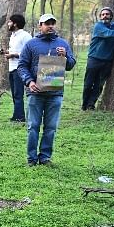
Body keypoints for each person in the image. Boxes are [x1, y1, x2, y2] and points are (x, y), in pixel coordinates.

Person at [17, 14, 77, 166]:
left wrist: (65, 57)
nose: (50, 26)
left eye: (52, 23)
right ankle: (31, 159)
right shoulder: (31, 44)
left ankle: (45, 157)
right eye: (46, 23)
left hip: (55, 93)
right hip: (35, 92)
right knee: (33, 127)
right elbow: (22, 66)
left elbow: (70, 65)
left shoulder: (62, 43)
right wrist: (29, 82)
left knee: (50, 128)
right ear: (40, 26)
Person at [4, 14, 31, 122]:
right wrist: (7, 52)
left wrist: (13, 55)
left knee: (18, 93)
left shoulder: (25, 36)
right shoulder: (13, 36)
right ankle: (17, 115)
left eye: (10, 22)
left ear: (15, 24)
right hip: (12, 68)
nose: (8, 24)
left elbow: (29, 53)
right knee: (14, 93)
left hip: (20, 68)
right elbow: (16, 50)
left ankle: (20, 117)